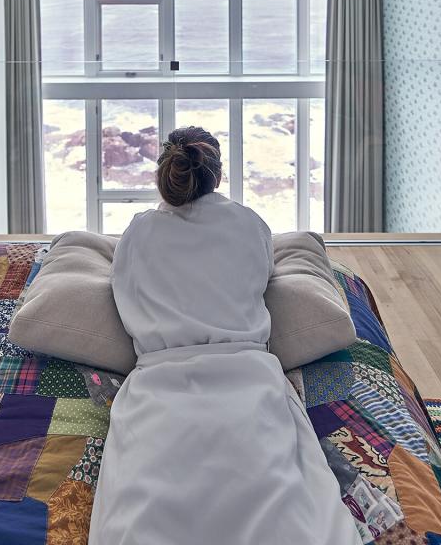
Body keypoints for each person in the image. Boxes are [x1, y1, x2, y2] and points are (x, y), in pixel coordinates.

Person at [88, 126, 362, 544]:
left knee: (146, 506)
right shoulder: (247, 223)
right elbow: (263, 274)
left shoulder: (139, 232)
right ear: (215, 175)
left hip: (159, 385)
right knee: (282, 497)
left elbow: (124, 294)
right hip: (249, 376)